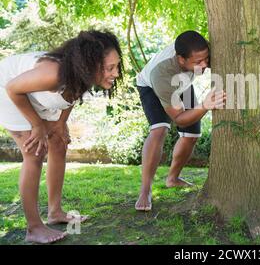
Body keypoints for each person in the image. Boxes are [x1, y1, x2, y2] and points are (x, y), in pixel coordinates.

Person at [0, 30, 124, 243]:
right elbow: (13, 88)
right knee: (35, 152)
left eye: (117, 66)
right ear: (90, 64)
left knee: (58, 144)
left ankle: (55, 212)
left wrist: (60, 124)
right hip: (8, 91)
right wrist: (37, 125)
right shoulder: (54, 74)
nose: (116, 73)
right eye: (110, 68)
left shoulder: (81, 73)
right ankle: (34, 228)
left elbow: (72, 96)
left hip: (34, 96)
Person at [134, 30, 226, 211]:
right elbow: (180, 119)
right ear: (181, 59)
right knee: (159, 129)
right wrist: (205, 105)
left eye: (206, 59)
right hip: (152, 87)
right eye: (198, 62)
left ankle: (172, 179)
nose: (205, 65)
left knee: (192, 135)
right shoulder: (161, 74)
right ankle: (145, 190)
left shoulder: (199, 53)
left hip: (182, 83)